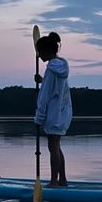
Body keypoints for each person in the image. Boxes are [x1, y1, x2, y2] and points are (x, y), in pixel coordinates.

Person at [34, 31, 72, 187]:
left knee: (53, 147)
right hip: (63, 113)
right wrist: (43, 81)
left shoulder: (51, 69)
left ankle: (53, 182)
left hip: (54, 114)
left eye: (39, 52)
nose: (38, 55)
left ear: (46, 51)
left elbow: (45, 96)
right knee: (56, 146)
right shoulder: (60, 67)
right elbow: (55, 87)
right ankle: (62, 180)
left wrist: (38, 118)